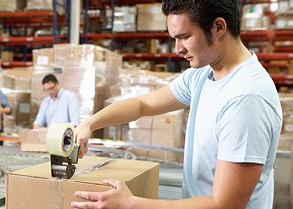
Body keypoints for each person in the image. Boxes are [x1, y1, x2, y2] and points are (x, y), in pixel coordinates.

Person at [71, 0, 283, 209]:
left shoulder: (246, 99)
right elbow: (142, 104)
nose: (177, 49)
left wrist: (130, 204)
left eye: (184, 37)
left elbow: (225, 204)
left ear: (218, 27)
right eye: (174, 38)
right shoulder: (202, 74)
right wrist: (90, 123)